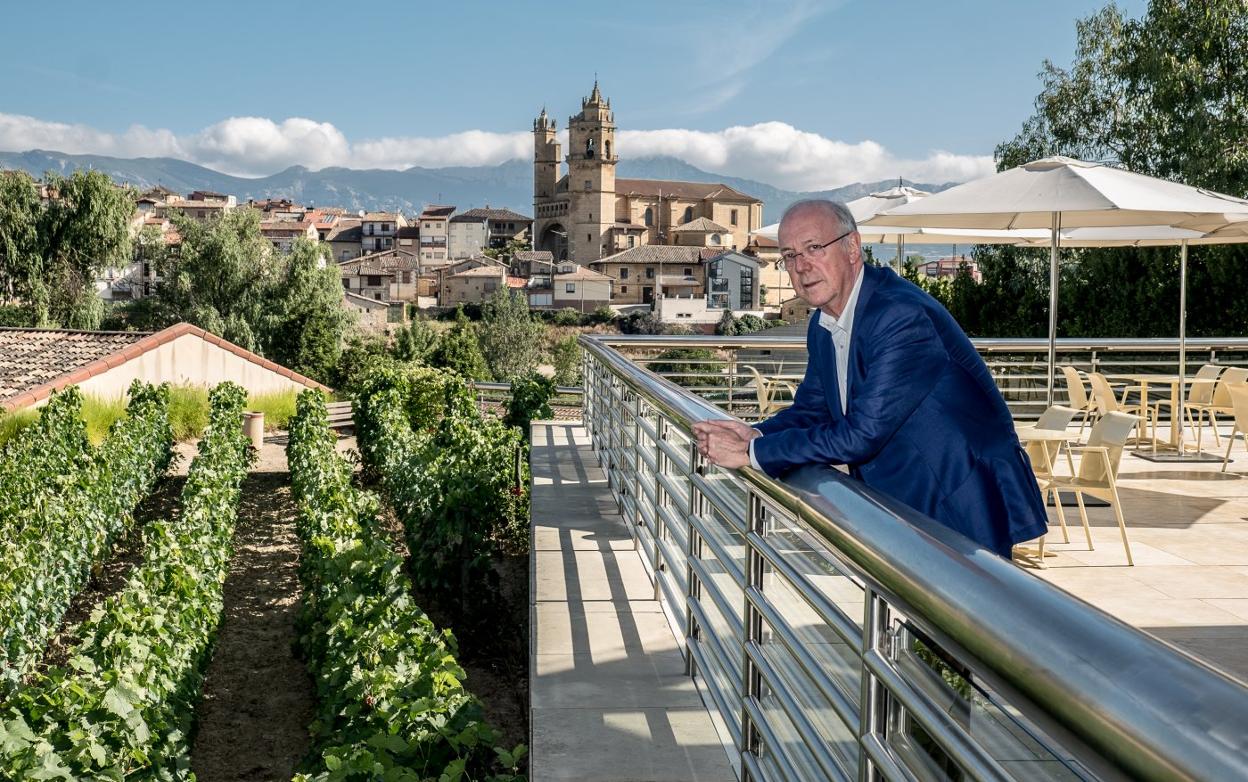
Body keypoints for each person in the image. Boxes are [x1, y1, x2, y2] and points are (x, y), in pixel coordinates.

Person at [693, 199, 1047, 557]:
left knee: (972, 610)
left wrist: (753, 452)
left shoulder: (899, 315)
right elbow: (814, 411)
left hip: (959, 494)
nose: (801, 267)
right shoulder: (823, 322)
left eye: (814, 248)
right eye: (789, 255)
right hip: (904, 497)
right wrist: (758, 432)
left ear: (852, 247)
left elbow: (860, 435)